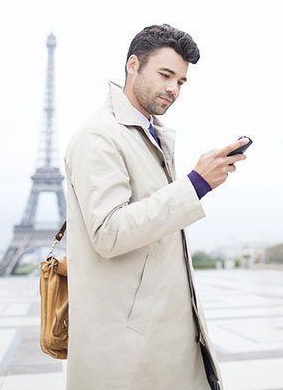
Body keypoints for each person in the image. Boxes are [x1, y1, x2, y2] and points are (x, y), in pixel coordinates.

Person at [64, 24, 248, 390]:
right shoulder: (99, 135)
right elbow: (109, 232)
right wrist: (196, 184)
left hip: (164, 334)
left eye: (181, 81)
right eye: (165, 75)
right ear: (133, 65)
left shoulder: (148, 133)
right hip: (128, 348)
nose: (173, 89)